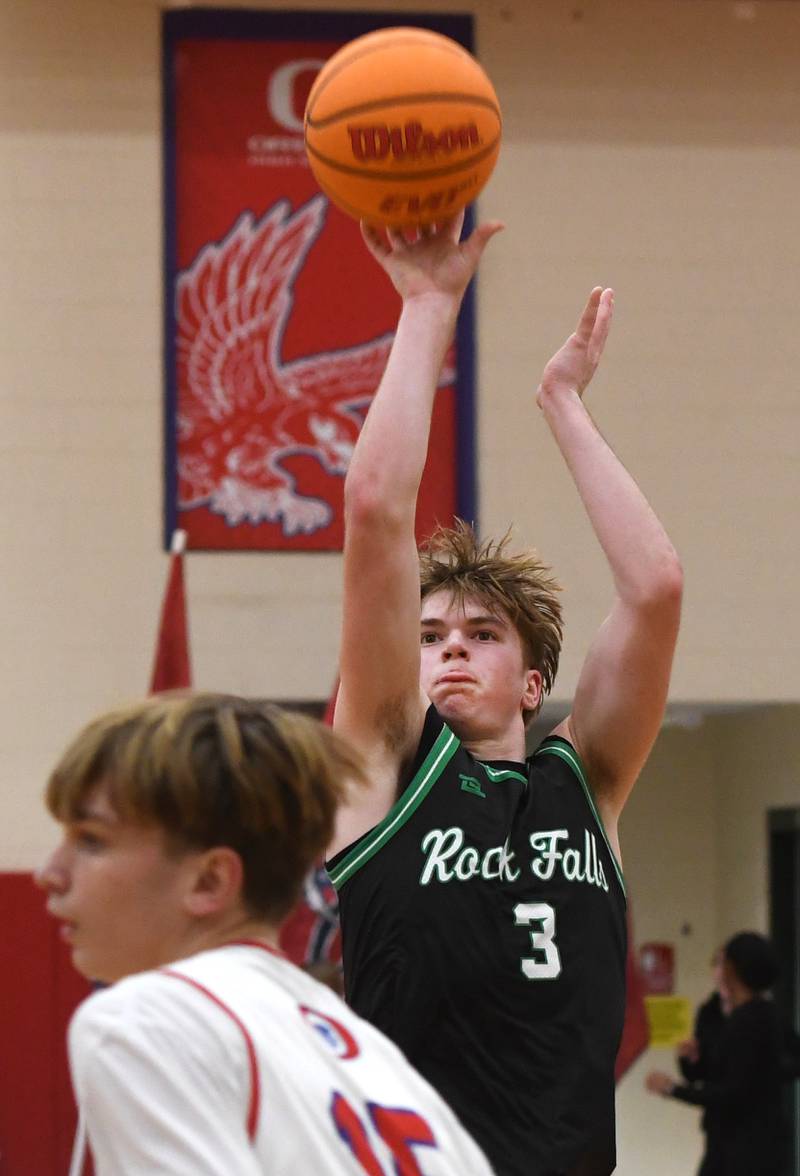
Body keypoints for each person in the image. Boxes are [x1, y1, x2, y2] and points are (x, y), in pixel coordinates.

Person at [327, 213, 683, 1176]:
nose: (448, 652)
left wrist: (565, 403)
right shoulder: (384, 770)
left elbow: (653, 590)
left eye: (481, 636)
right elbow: (372, 513)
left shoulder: (588, 782)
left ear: (534, 683)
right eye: (430, 635)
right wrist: (427, 308)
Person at [37, 692, 495, 1175]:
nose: (50, 872)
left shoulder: (143, 1020)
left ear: (209, 880)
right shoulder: (378, 1058)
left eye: (91, 840)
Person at [646, 931, 786, 1176]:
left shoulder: (749, 1021)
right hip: (735, 1138)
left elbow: (731, 1093)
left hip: (746, 1145)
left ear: (733, 970)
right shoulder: (751, 1015)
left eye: (724, 962)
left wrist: (672, 1089)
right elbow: (717, 1076)